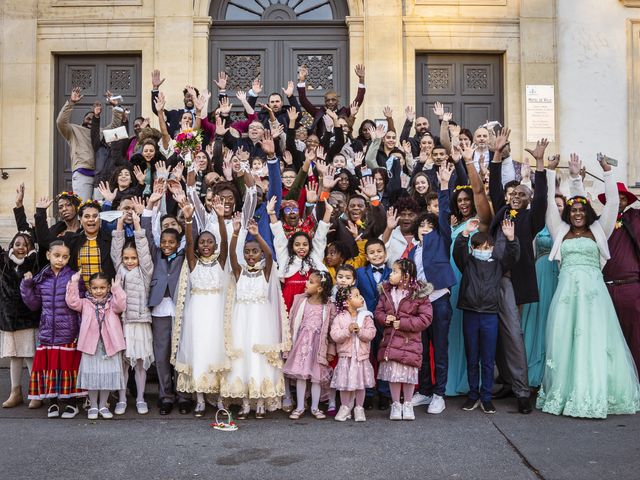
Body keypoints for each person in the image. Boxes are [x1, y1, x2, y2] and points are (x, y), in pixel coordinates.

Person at [537, 154, 640, 418]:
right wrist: (550, 172)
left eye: (582, 210)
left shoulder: (599, 230)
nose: (578, 213)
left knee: (594, 342)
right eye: (573, 210)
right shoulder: (560, 230)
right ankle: (568, 391)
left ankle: (595, 390)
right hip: (567, 298)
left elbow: (614, 202)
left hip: (594, 299)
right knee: (566, 342)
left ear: (589, 212)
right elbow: (549, 204)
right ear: (568, 214)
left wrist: (606, 172)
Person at [488, 132, 548, 414]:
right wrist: (497, 155)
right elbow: (495, 191)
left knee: (512, 332)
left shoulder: (530, 219)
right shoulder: (502, 213)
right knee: (496, 332)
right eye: (514, 193)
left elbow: (543, 200)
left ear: (528, 200)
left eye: (522, 195)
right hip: (488, 279)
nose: (516, 197)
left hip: (511, 281)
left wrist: (539, 164)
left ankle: (523, 392)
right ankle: (508, 382)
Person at [223, 217, 289, 419]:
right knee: (242, 358)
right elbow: (231, 253)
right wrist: (235, 233)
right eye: (247, 252)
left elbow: (270, 254)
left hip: (261, 322)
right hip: (241, 320)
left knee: (260, 358)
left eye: (254, 252)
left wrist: (256, 234)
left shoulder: (266, 272)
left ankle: (260, 402)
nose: (251, 255)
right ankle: (244, 403)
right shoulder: (239, 272)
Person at [453, 218, 520, 414]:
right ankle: (473, 395)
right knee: (472, 357)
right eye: (480, 247)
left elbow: (513, 256)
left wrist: (511, 238)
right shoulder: (468, 262)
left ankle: (487, 397)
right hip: (471, 314)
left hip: (490, 314)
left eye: (488, 246)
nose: (484, 249)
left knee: (488, 359)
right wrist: (465, 234)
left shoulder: (498, 264)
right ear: (473, 249)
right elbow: (458, 251)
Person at [172, 198, 229, 417]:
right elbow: (187, 244)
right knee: (199, 353)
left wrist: (221, 218)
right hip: (197, 312)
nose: (206, 245)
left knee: (216, 352)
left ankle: (221, 398)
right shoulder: (193, 262)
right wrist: (188, 221)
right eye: (202, 242)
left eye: (209, 242)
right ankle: (200, 399)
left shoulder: (221, 262)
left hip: (216, 312)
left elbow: (225, 242)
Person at [408, 163, 457, 414]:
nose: (425, 230)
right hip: (419, 303)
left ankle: (440, 393)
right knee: (421, 347)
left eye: (430, 226)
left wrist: (444, 186)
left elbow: (444, 213)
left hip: (438, 299)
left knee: (439, 347)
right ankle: (425, 390)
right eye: (422, 227)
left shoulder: (442, 238)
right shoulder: (413, 251)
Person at [21, 240, 86, 419]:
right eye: (57, 256)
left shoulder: (73, 277)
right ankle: (53, 404)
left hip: (69, 330)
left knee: (68, 368)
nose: (60, 260)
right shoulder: (41, 278)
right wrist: (26, 286)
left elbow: (80, 306)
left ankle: (72, 404)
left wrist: (80, 331)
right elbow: (34, 305)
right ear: (48, 255)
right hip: (48, 330)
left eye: (65, 257)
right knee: (51, 369)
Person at [142, 187, 189, 415]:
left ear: (177, 242)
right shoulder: (155, 253)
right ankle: (165, 395)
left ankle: (182, 395)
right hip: (160, 308)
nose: (167, 245)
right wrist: (151, 206)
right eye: (165, 242)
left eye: (172, 242)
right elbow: (146, 234)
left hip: (180, 308)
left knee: (180, 353)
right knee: (161, 355)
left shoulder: (184, 255)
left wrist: (184, 206)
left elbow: (193, 234)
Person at [374, 259, 433, 421]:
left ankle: (407, 404)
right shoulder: (386, 292)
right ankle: (395, 404)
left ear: (405, 276)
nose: (390, 274)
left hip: (409, 342)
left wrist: (404, 323)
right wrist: (385, 318)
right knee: (394, 375)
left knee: (408, 376)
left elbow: (426, 318)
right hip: (391, 342)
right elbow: (378, 312)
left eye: (394, 271)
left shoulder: (418, 294)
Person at [111, 213, 155, 415]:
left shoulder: (145, 271)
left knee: (139, 364)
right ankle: (121, 398)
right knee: (123, 364)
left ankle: (140, 398)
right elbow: (115, 250)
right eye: (126, 258)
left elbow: (144, 250)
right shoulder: (119, 270)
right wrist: (120, 224)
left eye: (133, 258)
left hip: (140, 323)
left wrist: (137, 225)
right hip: (123, 323)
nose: (129, 261)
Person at [66, 271, 126, 420]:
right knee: (92, 376)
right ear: (89, 288)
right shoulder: (85, 303)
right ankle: (93, 405)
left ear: (107, 288)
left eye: (102, 288)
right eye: (95, 288)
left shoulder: (112, 303)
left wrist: (117, 289)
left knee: (106, 376)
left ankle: (103, 405)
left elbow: (121, 306)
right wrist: (73, 283)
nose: (99, 291)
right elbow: (72, 302)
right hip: (91, 345)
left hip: (108, 344)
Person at [521, 193, 564, 388]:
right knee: (536, 318)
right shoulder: (538, 227)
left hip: (559, 274)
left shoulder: (567, 228)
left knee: (554, 318)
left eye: (560, 205)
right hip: (539, 272)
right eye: (554, 205)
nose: (557, 208)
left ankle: (553, 372)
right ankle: (532, 370)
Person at [283, 270, 336, 420]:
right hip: (302, 345)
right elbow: (292, 322)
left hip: (319, 346)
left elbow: (331, 330)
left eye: (311, 282)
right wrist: (288, 345)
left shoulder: (328, 306)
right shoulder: (300, 300)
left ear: (320, 289)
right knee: (301, 375)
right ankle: (299, 406)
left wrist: (330, 350)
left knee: (316, 378)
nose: (306, 283)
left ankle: (314, 407)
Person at [600, 180, 640, 373]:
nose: (618, 201)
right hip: (604, 289)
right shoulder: (599, 223)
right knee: (608, 338)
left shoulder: (635, 218)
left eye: (622, 198)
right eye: (615, 198)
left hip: (631, 288)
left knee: (635, 336)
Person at [56, 87, 123, 201]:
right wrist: (71, 103)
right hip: (83, 172)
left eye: (93, 119)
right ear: (83, 120)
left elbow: (115, 126)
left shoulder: (101, 132)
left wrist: (115, 106)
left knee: (99, 209)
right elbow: (60, 122)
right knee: (83, 207)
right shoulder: (73, 131)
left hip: (101, 175)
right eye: (88, 118)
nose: (91, 121)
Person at [269, 197, 332, 311]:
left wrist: (328, 212)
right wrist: (271, 213)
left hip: (310, 302)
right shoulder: (286, 258)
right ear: (291, 247)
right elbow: (279, 236)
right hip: (288, 300)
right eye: (297, 245)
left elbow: (320, 236)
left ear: (310, 246)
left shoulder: (315, 257)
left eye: (305, 244)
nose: (301, 247)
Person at [0, 232, 40, 408]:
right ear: (11, 246)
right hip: (8, 318)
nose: (21, 248)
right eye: (17, 244)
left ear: (30, 248)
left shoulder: (34, 263)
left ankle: (36, 393)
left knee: (30, 355)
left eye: (25, 244)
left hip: (27, 318)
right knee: (14, 356)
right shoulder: (4, 263)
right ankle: (15, 392)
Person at [330, 286, 376, 422]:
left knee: (360, 384)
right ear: (347, 301)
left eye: (360, 294)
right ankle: (345, 407)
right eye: (356, 295)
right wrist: (347, 331)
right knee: (345, 384)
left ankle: (359, 408)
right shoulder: (340, 318)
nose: (361, 297)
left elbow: (371, 333)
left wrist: (360, 331)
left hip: (361, 358)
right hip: (346, 358)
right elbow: (334, 335)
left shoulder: (366, 317)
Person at [356, 239, 392, 410]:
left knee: (385, 356)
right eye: (372, 252)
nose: (376, 255)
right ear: (367, 256)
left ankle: (385, 393)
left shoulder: (393, 273)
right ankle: (368, 393)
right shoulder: (360, 273)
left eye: (379, 251)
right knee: (367, 358)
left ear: (385, 253)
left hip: (386, 322)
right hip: (366, 321)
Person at [297, 64, 366, 137]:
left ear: (338, 101)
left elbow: (358, 99)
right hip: (323, 146)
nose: (330, 102)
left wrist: (361, 79)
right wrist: (301, 80)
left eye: (333, 100)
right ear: (325, 102)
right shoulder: (319, 113)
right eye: (328, 100)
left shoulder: (344, 112)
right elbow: (303, 101)